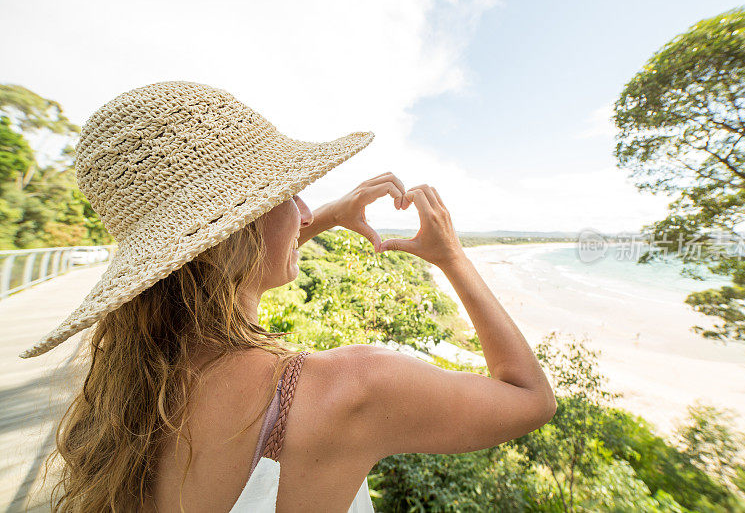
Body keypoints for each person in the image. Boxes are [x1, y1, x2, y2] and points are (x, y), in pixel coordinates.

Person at [24, 81, 556, 512]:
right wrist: (452, 258)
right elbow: (529, 399)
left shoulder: (129, 392)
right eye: (286, 192)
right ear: (232, 231)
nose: (305, 211)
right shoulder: (354, 388)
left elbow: (216, 265)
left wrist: (327, 214)